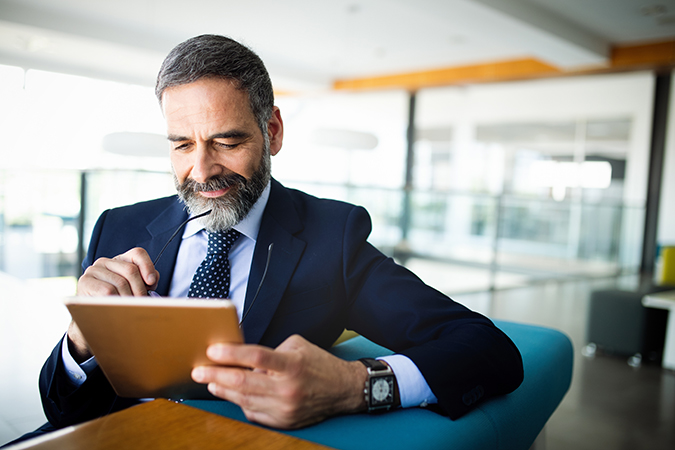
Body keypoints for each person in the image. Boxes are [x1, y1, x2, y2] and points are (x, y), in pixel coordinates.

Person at [38, 34, 523, 432]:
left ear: (273, 131)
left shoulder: (333, 238)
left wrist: (355, 386)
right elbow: (62, 411)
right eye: (182, 144)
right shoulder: (115, 227)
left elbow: (487, 349)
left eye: (226, 141)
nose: (201, 170)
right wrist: (79, 344)